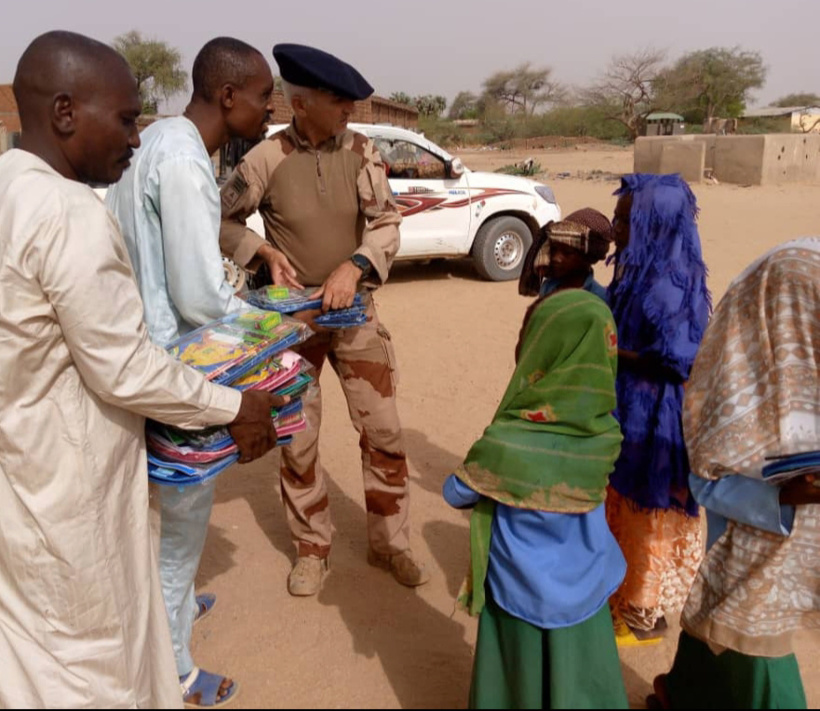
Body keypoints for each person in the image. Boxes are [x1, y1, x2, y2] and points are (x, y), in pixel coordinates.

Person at [0, 31, 283, 709]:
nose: (136, 135)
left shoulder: (11, 185)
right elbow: (124, 368)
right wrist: (231, 406)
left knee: (35, 653)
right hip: (71, 491)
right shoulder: (69, 214)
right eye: (126, 118)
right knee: (95, 657)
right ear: (66, 113)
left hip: (24, 468)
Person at [220, 43, 428, 596]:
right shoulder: (264, 159)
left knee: (383, 431)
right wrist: (262, 253)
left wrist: (356, 264)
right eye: (339, 102)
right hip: (294, 326)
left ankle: (391, 544)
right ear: (302, 103)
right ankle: (313, 548)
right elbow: (220, 220)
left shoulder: (362, 152)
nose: (350, 112)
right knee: (299, 440)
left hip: (354, 315)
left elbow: (386, 222)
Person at [105, 37, 275, 707]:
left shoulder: (159, 142)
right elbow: (200, 294)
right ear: (227, 96)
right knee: (178, 525)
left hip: (150, 353)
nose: (269, 110)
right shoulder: (181, 158)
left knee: (171, 518)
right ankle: (174, 668)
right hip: (177, 365)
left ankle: (174, 616)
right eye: (263, 96)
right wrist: (269, 325)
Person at [648, 238, 820, 710]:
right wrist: (784, 496)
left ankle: (682, 691)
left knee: (715, 608)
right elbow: (708, 479)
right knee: (751, 630)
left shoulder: (807, 364)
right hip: (756, 533)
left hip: (793, 532)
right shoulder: (735, 386)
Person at [443, 288, 628, 709]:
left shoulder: (507, 443)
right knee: (581, 681)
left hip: (517, 594)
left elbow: (455, 493)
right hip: (585, 591)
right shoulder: (604, 438)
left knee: (514, 683)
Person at [605, 173, 712, 644]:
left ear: (655, 223)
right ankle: (626, 598)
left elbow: (680, 357)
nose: (616, 227)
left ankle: (642, 613)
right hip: (631, 405)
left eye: (627, 219)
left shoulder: (669, 285)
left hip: (656, 415)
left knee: (648, 510)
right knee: (627, 507)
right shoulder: (638, 268)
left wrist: (612, 351)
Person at [518, 207, 613, 302]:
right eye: (554, 250)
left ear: (588, 258)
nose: (556, 258)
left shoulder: (598, 297)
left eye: (567, 253)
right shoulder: (548, 286)